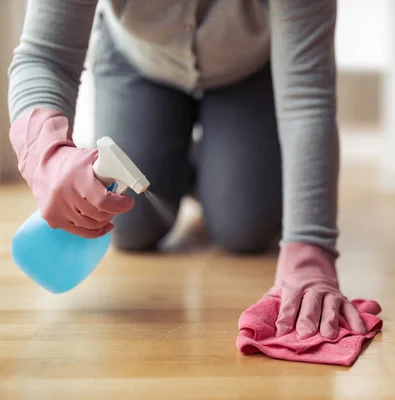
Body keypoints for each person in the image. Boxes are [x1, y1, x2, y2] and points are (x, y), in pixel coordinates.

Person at [7, 0, 367, 340]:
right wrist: (47, 156)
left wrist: (311, 249)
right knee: (130, 228)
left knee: (246, 229)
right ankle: (202, 162)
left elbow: (307, 98)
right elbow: (44, 57)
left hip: (249, 69)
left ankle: (213, 165)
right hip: (140, 60)